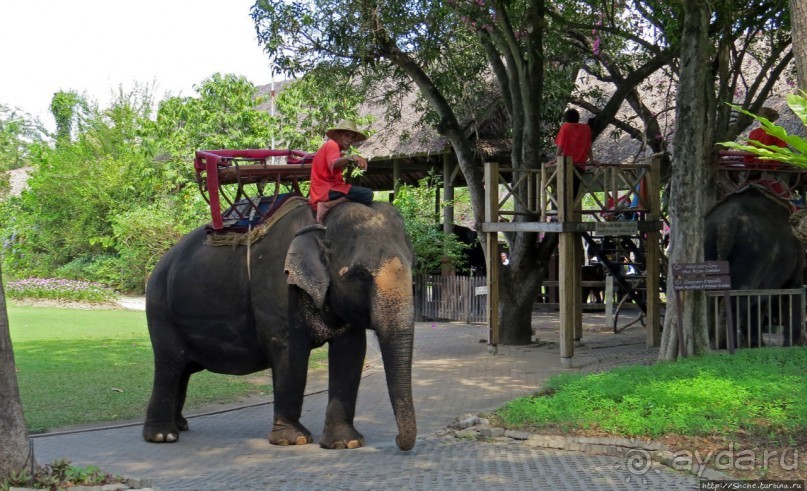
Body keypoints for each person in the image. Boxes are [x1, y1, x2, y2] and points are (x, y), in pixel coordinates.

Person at [309, 119, 374, 222]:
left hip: (327, 188)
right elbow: (333, 163)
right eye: (346, 135)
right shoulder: (332, 144)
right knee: (367, 194)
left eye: (352, 137)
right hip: (326, 189)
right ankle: (327, 205)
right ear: (337, 135)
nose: (350, 140)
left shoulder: (338, 151)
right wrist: (351, 158)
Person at [555, 109, 593, 198]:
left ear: (566, 118)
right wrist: (591, 159)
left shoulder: (565, 127)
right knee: (573, 193)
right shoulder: (586, 128)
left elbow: (560, 146)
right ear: (578, 118)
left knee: (563, 192)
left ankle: (562, 211)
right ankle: (569, 210)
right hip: (580, 164)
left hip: (566, 164)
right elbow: (588, 146)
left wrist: (556, 159)